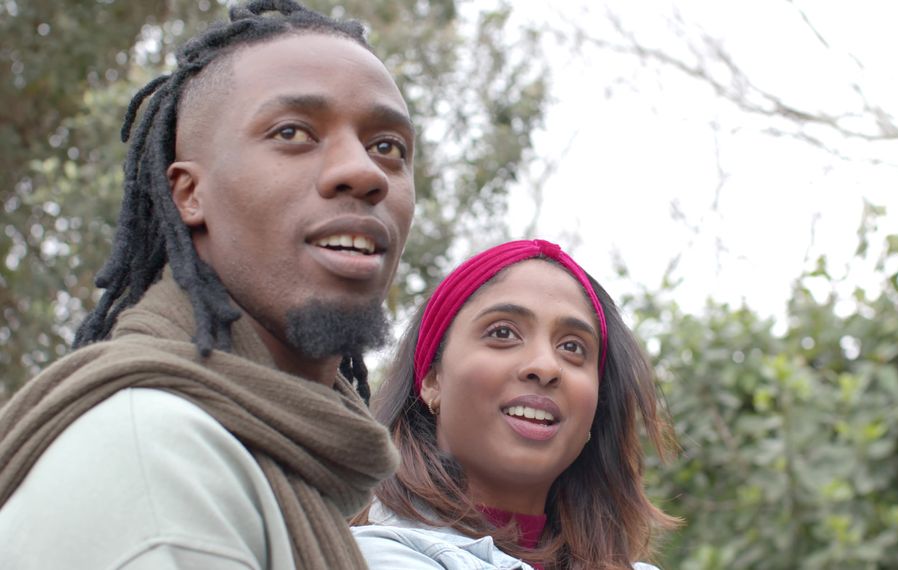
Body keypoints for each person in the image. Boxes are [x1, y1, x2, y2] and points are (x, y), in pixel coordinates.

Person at [0, 1, 414, 568]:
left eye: (388, 147)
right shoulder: (155, 465)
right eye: (292, 132)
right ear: (188, 195)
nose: (364, 172)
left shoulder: (281, 459)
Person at [352, 239, 679, 569]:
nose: (546, 367)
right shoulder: (370, 556)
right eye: (503, 333)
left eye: (572, 346)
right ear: (433, 380)